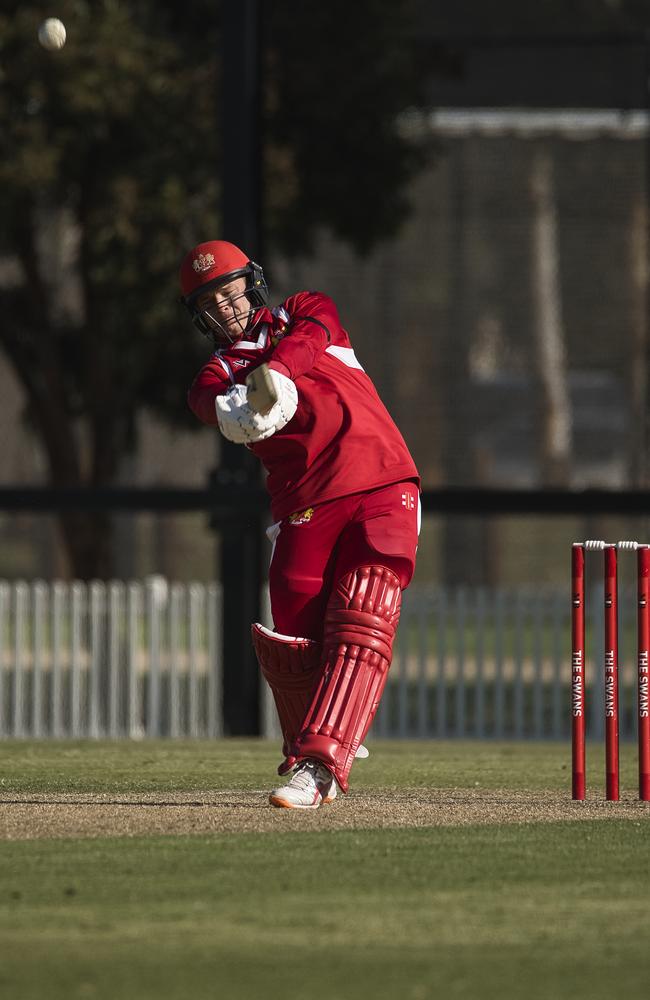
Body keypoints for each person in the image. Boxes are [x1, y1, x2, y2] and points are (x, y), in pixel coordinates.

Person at [181, 240, 420, 809]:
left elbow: (311, 341)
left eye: (232, 287)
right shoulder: (212, 378)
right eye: (213, 299)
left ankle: (320, 765)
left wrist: (279, 373)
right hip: (306, 501)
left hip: (381, 478)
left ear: (252, 282)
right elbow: (233, 417)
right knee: (292, 628)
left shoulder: (306, 309)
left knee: (365, 607)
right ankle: (323, 730)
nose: (228, 304)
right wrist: (253, 402)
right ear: (202, 315)